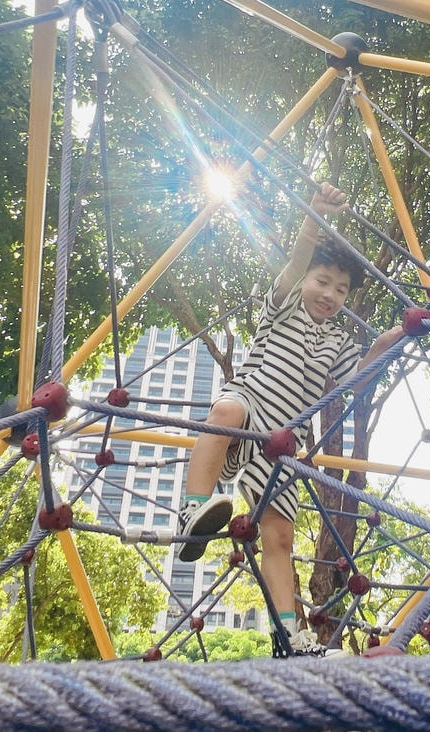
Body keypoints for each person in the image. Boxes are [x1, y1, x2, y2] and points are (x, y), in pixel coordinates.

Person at [174, 182, 406, 657]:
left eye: (341, 289)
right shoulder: (282, 307)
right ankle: (192, 510)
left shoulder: (338, 342)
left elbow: (354, 383)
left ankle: (290, 637)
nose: (330, 293)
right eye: (322, 281)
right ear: (304, 280)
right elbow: (297, 263)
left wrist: (391, 340)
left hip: (284, 443)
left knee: (279, 536)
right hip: (252, 406)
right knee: (224, 411)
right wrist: (313, 219)